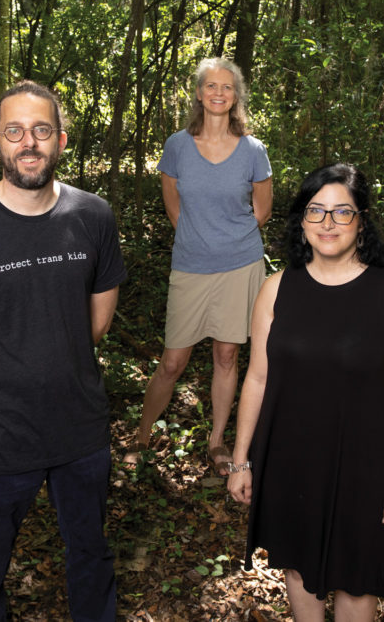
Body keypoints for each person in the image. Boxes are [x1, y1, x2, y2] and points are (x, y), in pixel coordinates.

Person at [0, 80, 126, 621]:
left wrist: (54, 369)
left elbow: (96, 321)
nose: (28, 142)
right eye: (14, 131)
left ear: (60, 140)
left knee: (90, 555)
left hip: (79, 430)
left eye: (40, 131)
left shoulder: (94, 216)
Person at [228, 163, 384, 620]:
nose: (327, 223)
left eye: (342, 212)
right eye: (316, 211)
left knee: (357, 583)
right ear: (301, 219)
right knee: (298, 571)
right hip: (290, 461)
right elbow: (257, 378)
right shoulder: (276, 288)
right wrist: (242, 459)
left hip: (365, 468)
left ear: (362, 220)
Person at [126, 57, 272, 474]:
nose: (219, 93)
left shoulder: (252, 150)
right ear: (199, 93)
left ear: (236, 96)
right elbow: (172, 200)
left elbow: (262, 209)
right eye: (212, 86)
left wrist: (229, 239)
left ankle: (216, 442)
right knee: (173, 361)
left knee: (227, 356)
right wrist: (194, 234)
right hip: (190, 264)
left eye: (228, 87)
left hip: (239, 265)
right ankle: (140, 436)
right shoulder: (177, 146)